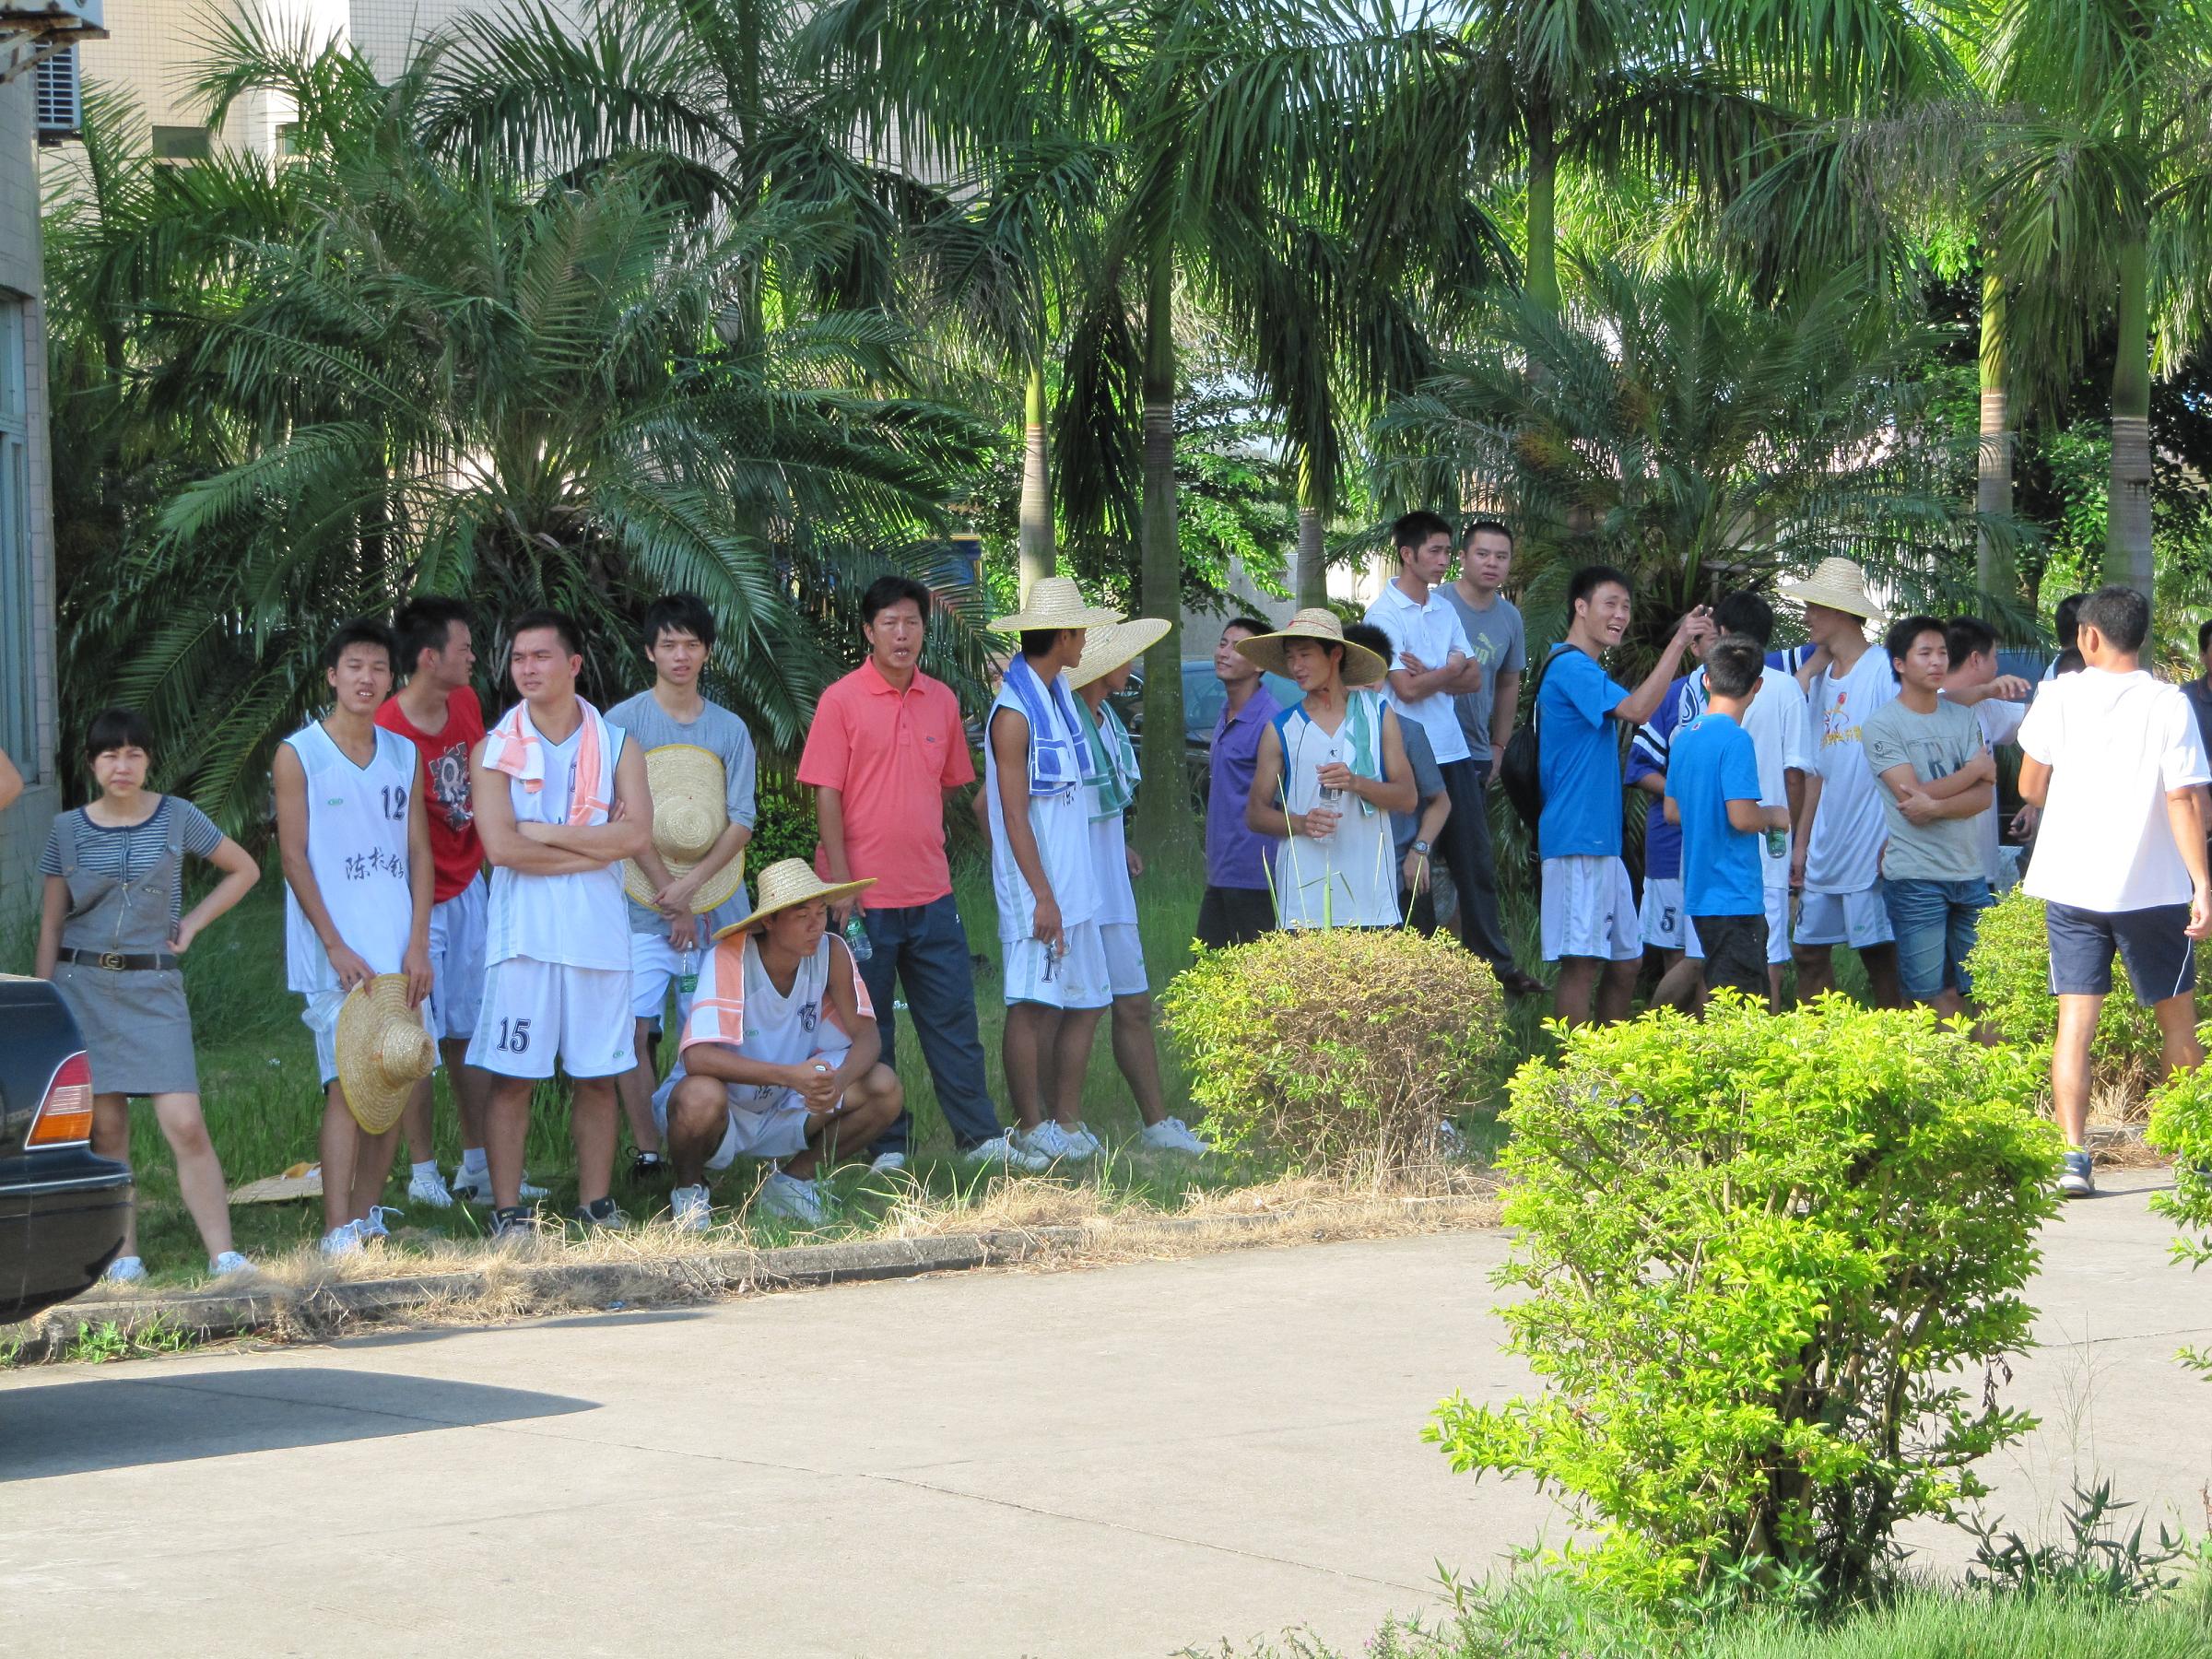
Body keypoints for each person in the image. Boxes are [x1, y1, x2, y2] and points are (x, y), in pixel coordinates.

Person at [799, 575, 1036, 1171]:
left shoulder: (942, 700)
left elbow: (948, 784)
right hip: (860, 899)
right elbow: (825, 793)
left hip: (931, 892)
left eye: (912, 623)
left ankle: (979, 1136)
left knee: (953, 1018)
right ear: (868, 631)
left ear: (925, 631)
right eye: (890, 624)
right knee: (869, 1024)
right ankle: (887, 1145)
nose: (902, 634)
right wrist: (841, 885)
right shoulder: (841, 700)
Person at [35, 708, 260, 1281]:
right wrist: (43, 1004)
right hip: (81, 988)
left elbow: (244, 870)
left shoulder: (177, 815)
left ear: (148, 760)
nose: (122, 765)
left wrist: (193, 924)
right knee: (106, 1128)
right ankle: (123, 1257)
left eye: (133, 753)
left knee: (184, 1122)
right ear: (92, 764)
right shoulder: (66, 829)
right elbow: (52, 924)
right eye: (110, 754)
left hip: (154, 985)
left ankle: (225, 1256)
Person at [2018, 584, 2212, 1198]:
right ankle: (2192, 1154)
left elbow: (2030, 787)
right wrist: (2203, 883)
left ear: (2089, 636)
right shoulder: (2168, 703)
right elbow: (2183, 799)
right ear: (2141, 636)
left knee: (2075, 1024)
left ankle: (2073, 1157)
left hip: (2072, 883)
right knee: (2177, 1023)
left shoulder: (2057, 695)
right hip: (2154, 886)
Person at [469, 610, 654, 1235]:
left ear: (573, 664)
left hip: (597, 935)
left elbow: (637, 835)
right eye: (518, 658)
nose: (527, 668)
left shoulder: (617, 744)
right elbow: (502, 849)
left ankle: (595, 1206)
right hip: (523, 936)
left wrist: (544, 833)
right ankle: (508, 1213)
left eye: (541, 656)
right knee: (513, 1078)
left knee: (599, 1076)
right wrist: (596, 845)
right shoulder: (494, 749)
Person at [275, 620, 436, 1257]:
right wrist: (334, 944)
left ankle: (368, 1216)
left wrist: (418, 942)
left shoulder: (404, 754)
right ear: (332, 676)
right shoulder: (300, 754)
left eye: (377, 667)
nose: (366, 678)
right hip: (337, 953)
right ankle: (335, 1227)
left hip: (397, 946)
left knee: (393, 1077)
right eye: (354, 666)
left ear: (391, 679)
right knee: (346, 1085)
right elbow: (293, 857)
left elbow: (419, 851)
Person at [660, 861, 905, 1229]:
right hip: (727, 1104)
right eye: (801, 915)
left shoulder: (832, 951)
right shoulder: (729, 955)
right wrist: (790, 1076)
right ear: (769, 921)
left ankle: (792, 1183)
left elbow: (868, 1037)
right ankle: (689, 1190)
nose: (815, 925)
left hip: (788, 1098)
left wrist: (836, 1084)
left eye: (821, 912)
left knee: (883, 1087)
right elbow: (696, 1057)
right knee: (699, 1097)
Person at [606, 594, 757, 1183]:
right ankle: (648, 1148)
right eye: (668, 644)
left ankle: (698, 1140)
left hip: (716, 902)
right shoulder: (621, 724)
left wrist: (690, 889)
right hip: (640, 901)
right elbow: (620, 818)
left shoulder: (730, 729)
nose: (680, 655)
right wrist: (671, 895)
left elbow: (740, 820)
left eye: (691, 644)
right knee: (631, 1026)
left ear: (707, 652)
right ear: (650, 651)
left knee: (713, 1031)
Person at [1365, 512, 1540, 994]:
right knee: (1413, 862)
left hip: (1455, 749)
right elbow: (1406, 689)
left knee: (1474, 860)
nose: (1444, 560)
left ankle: (1496, 969)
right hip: (1406, 750)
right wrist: (1445, 672)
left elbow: (1474, 679)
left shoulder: (1443, 611)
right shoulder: (1383, 614)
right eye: (1437, 551)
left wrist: (1431, 674)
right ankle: (1419, 973)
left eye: (1447, 550)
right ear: (1408, 554)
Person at [982, 577, 1124, 1162]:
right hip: (1036, 886)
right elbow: (1013, 815)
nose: (1087, 640)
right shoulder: (1014, 713)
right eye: (1081, 630)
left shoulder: (1059, 694)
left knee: (1088, 999)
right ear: (1063, 636)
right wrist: (1042, 894)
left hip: (1074, 881)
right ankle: (1029, 1124)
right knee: (1032, 1002)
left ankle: (1066, 1120)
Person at [376, 595, 508, 1212]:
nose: (473, 657)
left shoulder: (467, 703)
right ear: (429, 658)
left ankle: (478, 1164)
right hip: (413, 901)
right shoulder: (387, 730)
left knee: (470, 1032)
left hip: (470, 887)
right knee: (416, 1040)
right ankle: (423, 1171)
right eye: (464, 647)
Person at [1535, 566, 1710, 1025]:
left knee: (1627, 962)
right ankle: (1574, 1070)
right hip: (1576, 838)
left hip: (1601, 841)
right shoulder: (1570, 665)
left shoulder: (1585, 668)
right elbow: (1638, 709)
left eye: (1626, 607)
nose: (1620, 615)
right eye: (1610, 604)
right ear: (1580, 607)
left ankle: (1612, 1064)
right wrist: (1679, 642)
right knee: (1581, 965)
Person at [1068, 619, 1209, 1154]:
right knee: (1077, 1009)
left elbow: (1097, 805)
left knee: (1134, 1002)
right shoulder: (1063, 720)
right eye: (1123, 655)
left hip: (1112, 886)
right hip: (1074, 889)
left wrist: (1118, 843)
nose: (1131, 664)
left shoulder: (1106, 718)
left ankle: (1157, 1124)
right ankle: (1062, 1125)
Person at [1242, 609, 1418, 929]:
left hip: (1369, 892)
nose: (1296, 666)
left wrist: (1356, 782)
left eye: (1305, 654)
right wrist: (1301, 822)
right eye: (1290, 657)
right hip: (1303, 894)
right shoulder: (1282, 728)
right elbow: (1255, 814)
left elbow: (1407, 798)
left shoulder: (1377, 713)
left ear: (1335, 654)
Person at [1861, 617, 1996, 1019]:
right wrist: (1973, 771)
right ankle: (1926, 1063)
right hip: (1915, 877)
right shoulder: (1882, 725)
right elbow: (1910, 795)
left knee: (1987, 993)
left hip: (1969, 872)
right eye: (1925, 653)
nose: (1937, 661)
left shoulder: (1962, 718)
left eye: (1942, 653)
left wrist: (1936, 805)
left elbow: (1983, 798)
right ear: (1900, 663)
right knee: (1923, 997)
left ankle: (1984, 1062)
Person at [1783, 558, 1900, 1006]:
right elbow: (1817, 771)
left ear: (1838, 610)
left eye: (1814, 606)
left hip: (1872, 841)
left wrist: (1897, 835)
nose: (1807, 616)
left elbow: (1906, 751)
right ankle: (1821, 1042)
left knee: (1880, 956)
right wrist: (1801, 844)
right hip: (1827, 845)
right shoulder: (1820, 680)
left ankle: (1898, 1041)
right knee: (1807, 953)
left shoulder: (1884, 669)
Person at [1437, 518, 1538, 989]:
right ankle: (1425, 962)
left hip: (1476, 753)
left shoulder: (1510, 618)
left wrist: (1499, 745)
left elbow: (1508, 682)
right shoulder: (1437, 604)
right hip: (1428, 749)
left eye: (1501, 556)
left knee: (1469, 861)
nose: (1492, 563)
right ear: (1462, 557)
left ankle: (1468, 972)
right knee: (1423, 858)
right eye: (1483, 554)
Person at [1664, 636, 1787, 1004]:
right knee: (1744, 1009)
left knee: (1723, 993)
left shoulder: (1685, 738)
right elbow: (1743, 818)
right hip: (1735, 894)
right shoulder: (1736, 740)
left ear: (1706, 680)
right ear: (1757, 686)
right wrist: (1774, 815)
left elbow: (1672, 811)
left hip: (1701, 893)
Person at [1345, 622, 1451, 935]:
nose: (1366, 681)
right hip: (1341, 878)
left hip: (1401, 877)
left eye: (1375, 671)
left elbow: (1440, 802)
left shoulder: (1408, 731)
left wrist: (1420, 850)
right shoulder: (1317, 732)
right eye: (1356, 669)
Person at [1626, 641, 1708, 1012]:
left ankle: (1706, 1043)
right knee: (1679, 954)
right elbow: (1638, 767)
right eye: (1710, 636)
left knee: (1708, 956)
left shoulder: (1757, 690)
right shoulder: (1673, 695)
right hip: (1671, 846)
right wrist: (1686, 798)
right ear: (1695, 646)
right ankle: (1658, 1036)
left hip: (1720, 849)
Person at [1196, 616, 1282, 950]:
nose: (1224, 653)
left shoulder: (1270, 721)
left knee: (1256, 975)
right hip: (1221, 870)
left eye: (1237, 648)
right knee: (1207, 970)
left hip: (1255, 875)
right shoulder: (1226, 712)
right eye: (1222, 643)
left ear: (1260, 664)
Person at [1941, 616, 2033, 893]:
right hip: (1939, 872)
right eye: (1994, 657)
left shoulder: (1985, 707)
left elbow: (2035, 716)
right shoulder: (1926, 702)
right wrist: (1987, 690)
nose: (1997, 667)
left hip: (1980, 870)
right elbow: (1942, 703)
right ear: (1975, 659)